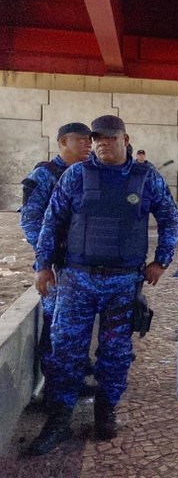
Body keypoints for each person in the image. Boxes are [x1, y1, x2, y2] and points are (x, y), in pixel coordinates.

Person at [26, 114, 178, 456]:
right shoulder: (75, 176)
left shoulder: (146, 178)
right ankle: (58, 420)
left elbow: (170, 218)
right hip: (76, 279)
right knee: (65, 350)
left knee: (115, 354)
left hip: (123, 282)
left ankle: (105, 412)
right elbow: (53, 221)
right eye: (97, 138)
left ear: (126, 139)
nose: (101, 143)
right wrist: (43, 266)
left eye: (110, 138)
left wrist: (161, 260)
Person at [20, 122, 92, 410]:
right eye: (82, 140)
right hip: (57, 266)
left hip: (81, 266)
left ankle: (71, 383)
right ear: (64, 142)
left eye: (90, 140)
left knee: (76, 329)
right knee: (54, 328)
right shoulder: (45, 175)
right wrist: (46, 259)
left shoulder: (88, 174)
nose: (88, 144)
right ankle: (52, 393)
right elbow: (30, 220)